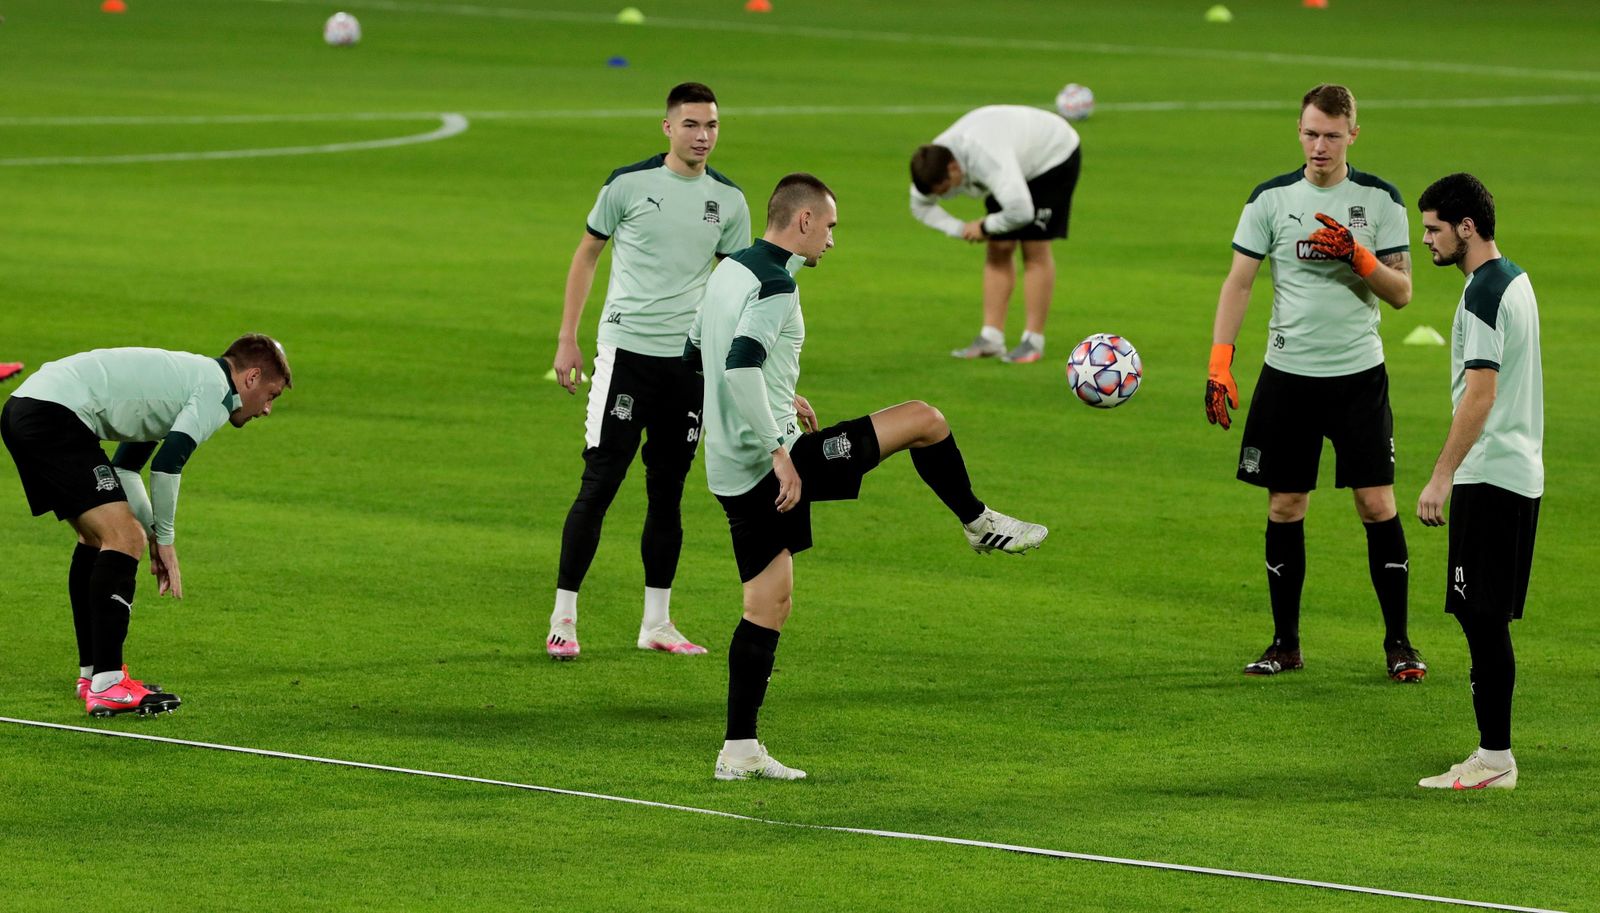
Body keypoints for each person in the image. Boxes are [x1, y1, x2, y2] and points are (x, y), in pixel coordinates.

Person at [689, 174, 1049, 781]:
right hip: (773, 463)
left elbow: (700, 346)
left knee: (767, 604)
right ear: (802, 221)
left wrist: (781, 393)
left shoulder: (733, 269)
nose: (832, 239)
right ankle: (978, 522)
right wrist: (780, 445)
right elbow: (740, 365)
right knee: (925, 421)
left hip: (727, 466)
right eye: (829, 226)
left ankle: (739, 750)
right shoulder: (777, 285)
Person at [1204, 84, 1427, 681]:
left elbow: (1402, 293)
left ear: (1354, 132)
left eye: (1331, 134)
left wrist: (1359, 256)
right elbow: (1239, 283)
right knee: (1284, 504)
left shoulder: (1379, 200)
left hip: (1358, 377)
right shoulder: (1272, 199)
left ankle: (1400, 644)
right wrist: (1220, 361)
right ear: (1298, 131)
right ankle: (1285, 644)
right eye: (1310, 133)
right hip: (1288, 379)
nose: (1319, 145)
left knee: (1376, 504)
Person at [548, 82, 752, 661]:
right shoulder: (628, 185)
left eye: (711, 125)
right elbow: (587, 252)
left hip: (687, 365)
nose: (703, 136)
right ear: (667, 127)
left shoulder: (728, 201)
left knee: (668, 493)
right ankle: (564, 616)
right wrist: (569, 338)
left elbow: (735, 286)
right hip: (625, 356)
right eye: (691, 124)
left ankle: (656, 623)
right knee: (601, 484)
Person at [1, 335, 291, 717]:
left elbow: (126, 468)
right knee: (124, 537)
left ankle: (93, 675)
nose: (267, 409)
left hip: (29, 408)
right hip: (53, 415)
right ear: (251, 378)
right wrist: (163, 541)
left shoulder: (186, 380)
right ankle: (108, 684)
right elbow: (168, 465)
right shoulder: (215, 391)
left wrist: (154, 535)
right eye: (271, 395)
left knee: (95, 538)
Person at [1414, 174, 1541, 790]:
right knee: (1483, 616)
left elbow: (1481, 395)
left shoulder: (1483, 295)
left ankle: (1494, 759)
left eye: (1435, 228)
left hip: (1489, 476)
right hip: (1517, 472)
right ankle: (1494, 753)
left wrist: (1442, 476)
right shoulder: (1513, 277)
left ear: (1467, 226)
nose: (1427, 240)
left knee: (1481, 617)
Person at [908, 105, 1082, 364]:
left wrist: (985, 227)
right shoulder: (931, 165)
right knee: (999, 248)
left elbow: (1022, 211)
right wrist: (959, 229)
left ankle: (1033, 341)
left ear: (954, 168)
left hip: (1052, 154)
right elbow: (920, 206)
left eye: (945, 190)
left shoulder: (987, 159)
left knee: (1034, 248)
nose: (944, 197)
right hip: (1014, 156)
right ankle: (991, 338)